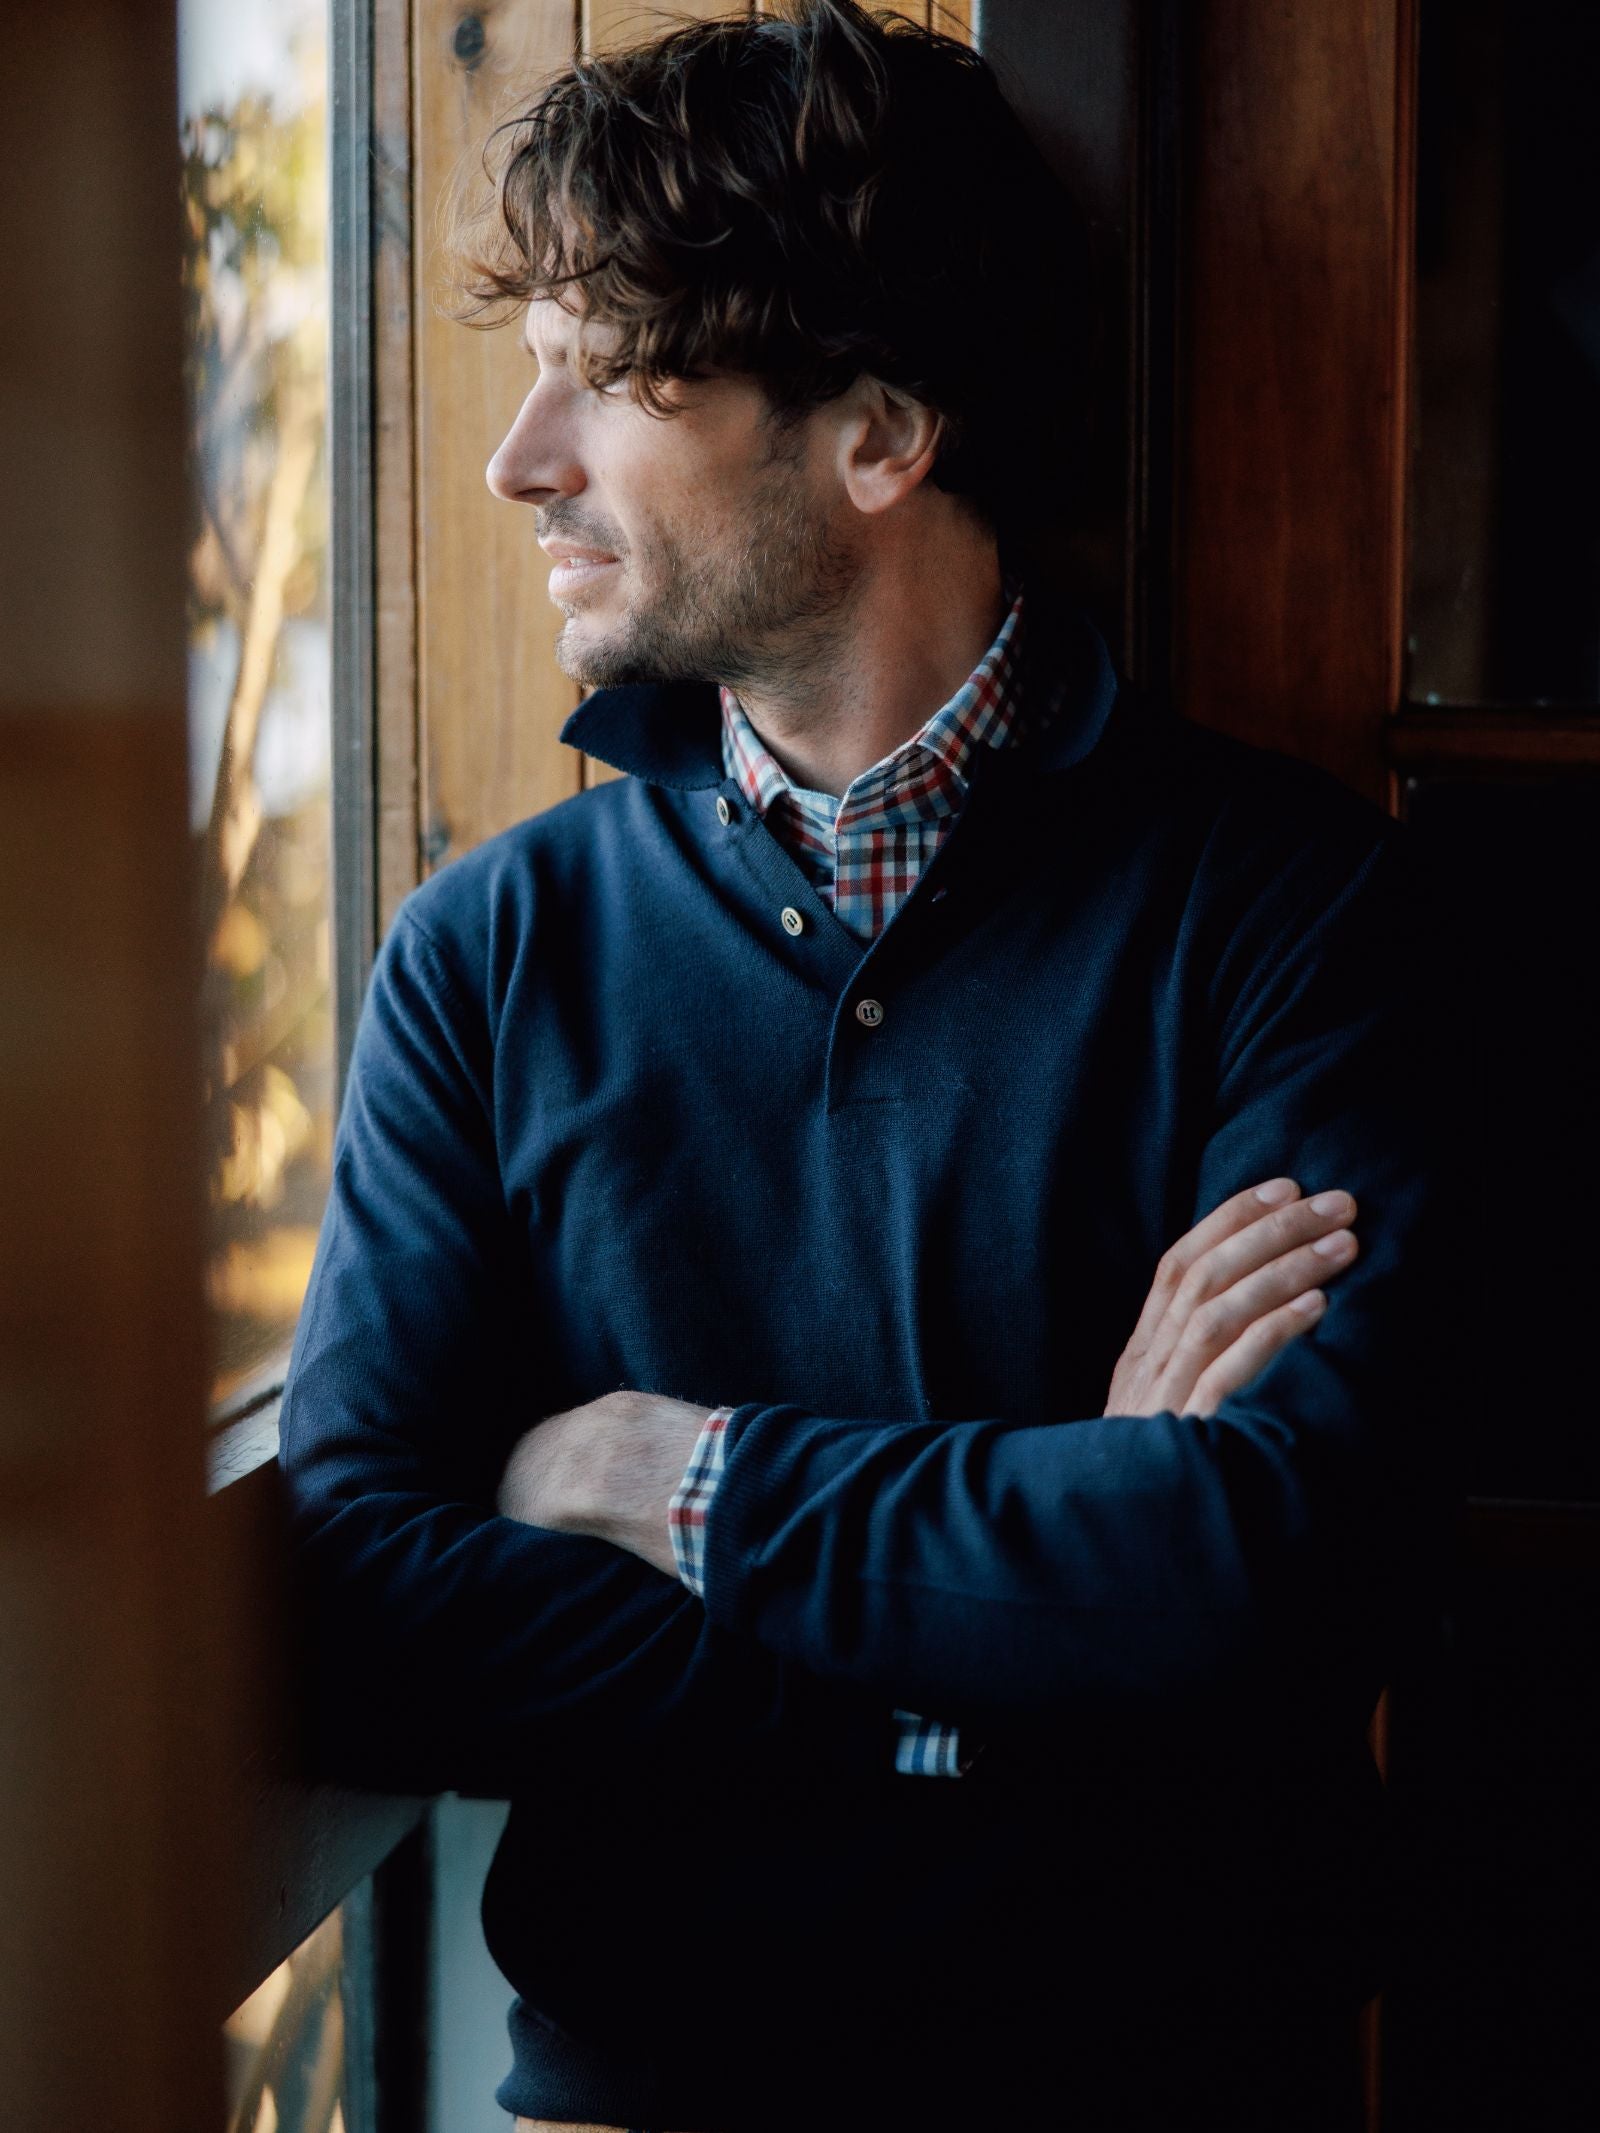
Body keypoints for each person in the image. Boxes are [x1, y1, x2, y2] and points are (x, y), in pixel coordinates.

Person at [278, 4, 1454, 2127]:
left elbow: (1277, 1566)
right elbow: (369, 1598)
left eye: (612, 371)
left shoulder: (1295, 910)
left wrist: (667, 1477)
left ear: (879, 432)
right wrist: (1014, 1613)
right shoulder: (487, 951)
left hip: (1165, 2078)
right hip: (640, 2086)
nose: (517, 457)